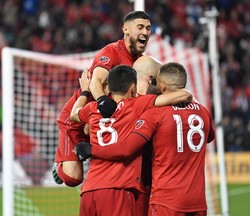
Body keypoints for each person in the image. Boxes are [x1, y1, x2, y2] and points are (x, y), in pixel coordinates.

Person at [76, 62, 215, 216]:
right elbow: (209, 137)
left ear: (161, 86)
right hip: (198, 203)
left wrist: (91, 149)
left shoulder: (155, 114)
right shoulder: (203, 112)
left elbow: (126, 148)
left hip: (166, 201)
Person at [52, 10, 152, 187]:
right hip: (77, 116)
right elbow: (95, 82)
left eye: (148, 28)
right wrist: (103, 103)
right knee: (72, 179)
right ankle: (60, 166)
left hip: (100, 121)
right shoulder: (112, 51)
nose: (145, 32)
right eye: (140, 27)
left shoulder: (142, 62)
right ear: (126, 29)